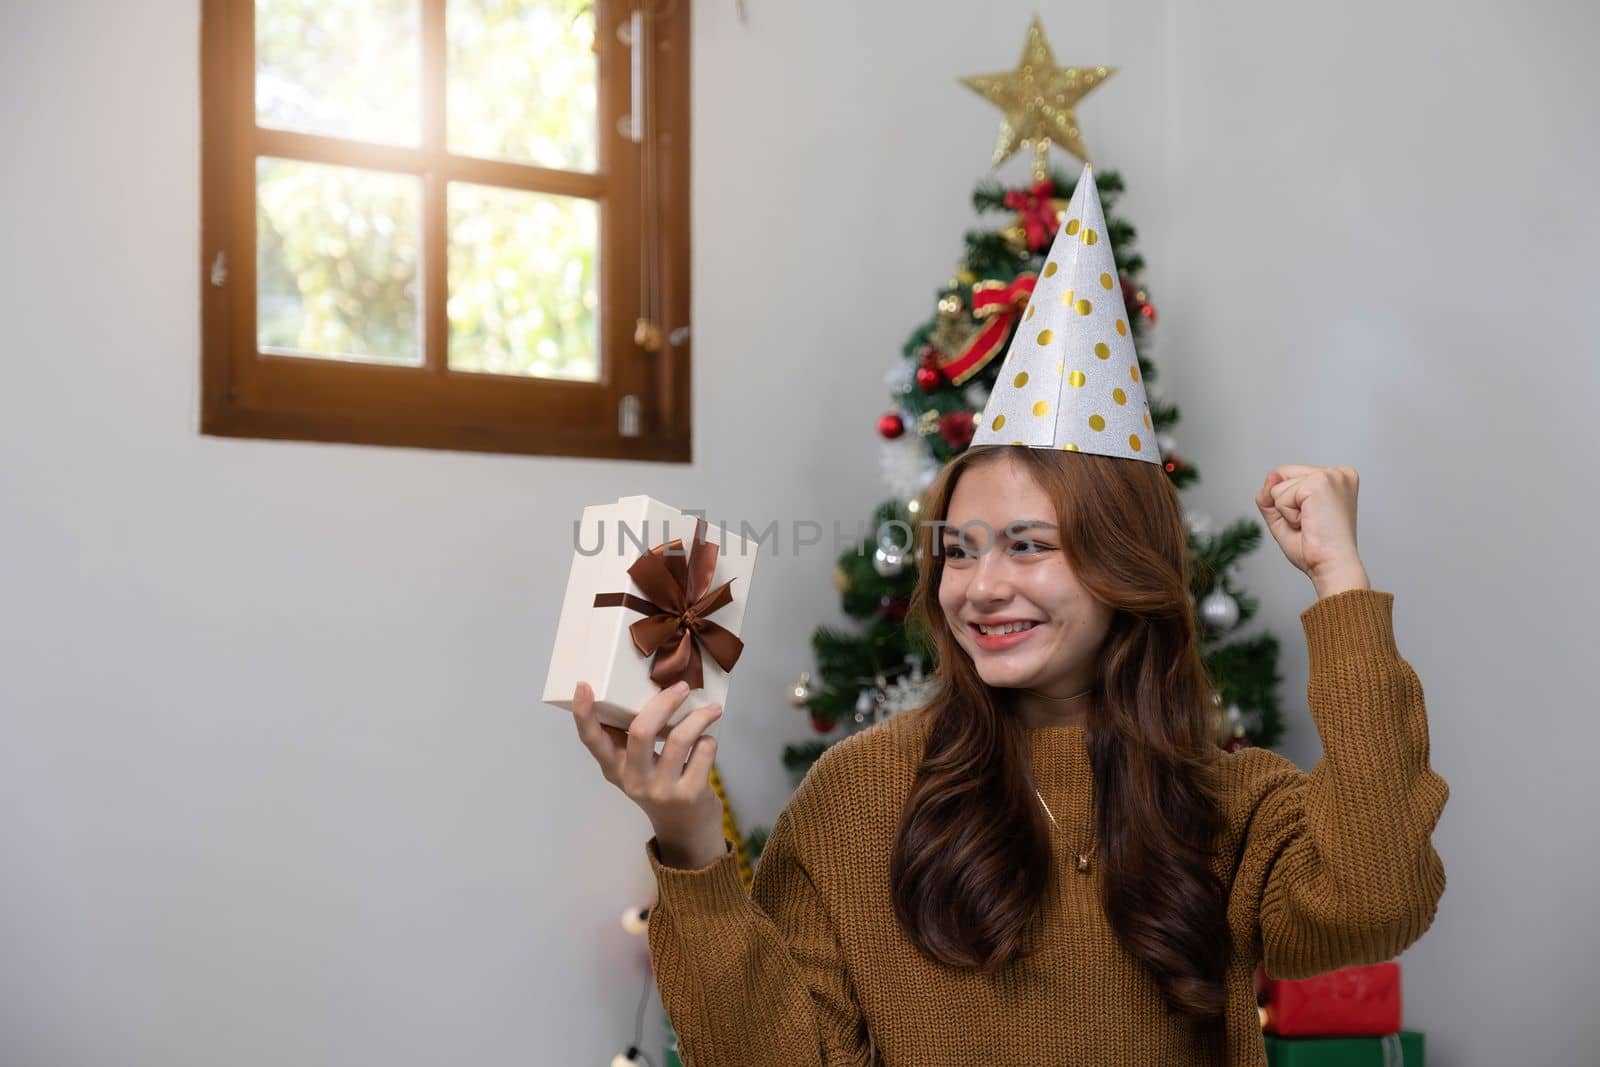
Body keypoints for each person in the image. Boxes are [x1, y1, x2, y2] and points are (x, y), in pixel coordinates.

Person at [567, 448, 1449, 1066]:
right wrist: (688, 844)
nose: (981, 587)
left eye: (1028, 543)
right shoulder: (858, 795)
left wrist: (1342, 582)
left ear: (1124, 567)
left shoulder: (1229, 799)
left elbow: (1376, 897)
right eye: (957, 550)